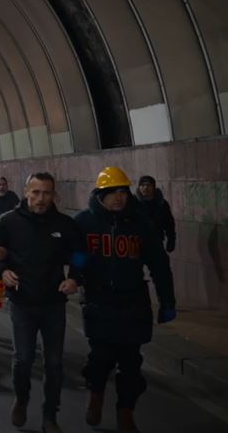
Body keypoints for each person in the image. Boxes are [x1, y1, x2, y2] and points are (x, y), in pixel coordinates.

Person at [76, 167, 175, 433]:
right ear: (100, 194)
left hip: (132, 302)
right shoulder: (85, 222)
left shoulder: (141, 223)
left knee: (131, 365)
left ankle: (125, 412)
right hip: (99, 301)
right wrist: (76, 276)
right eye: (112, 193)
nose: (119, 198)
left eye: (122, 191)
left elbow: (158, 263)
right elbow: (78, 257)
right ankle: (96, 396)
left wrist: (167, 301)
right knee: (100, 359)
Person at [0, 172, 85, 433]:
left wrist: (75, 278)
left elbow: (79, 253)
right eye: (36, 192)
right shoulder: (8, 222)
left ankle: (50, 415)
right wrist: (2, 270)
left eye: (46, 193)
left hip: (54, 303)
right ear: (26, 192)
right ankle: (21, 398)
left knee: (54, 363)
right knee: (23, 359)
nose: (41, 199)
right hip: (22, 302)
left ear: (54, 195)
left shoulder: (64, 224)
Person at [135, 176, 176, 253]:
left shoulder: (161, 204)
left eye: (148, 185)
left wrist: (171, 239)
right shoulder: (133, 204)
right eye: (142, 185)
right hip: (137, 244)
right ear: (139, 187)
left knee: (161, 264)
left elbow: (169, 223)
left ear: (153, 187)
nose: (145, 188)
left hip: (156, 241)